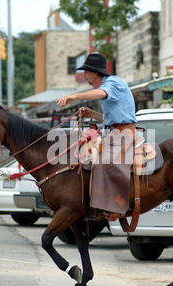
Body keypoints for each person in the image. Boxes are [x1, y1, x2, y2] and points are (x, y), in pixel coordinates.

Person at [55, 53, 137, 215]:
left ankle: (115, 206)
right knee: (83, 156)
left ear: (94, 73)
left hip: (124, 135)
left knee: (102, 161)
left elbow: (102, 94)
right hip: (114, 133)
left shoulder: (114, 82)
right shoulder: (107, 87)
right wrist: (92, 114)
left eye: (85, 72)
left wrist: (75, 96)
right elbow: (110, 120)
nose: (84, 76)